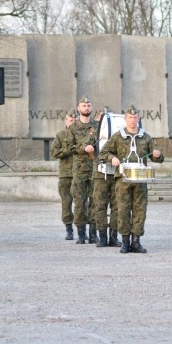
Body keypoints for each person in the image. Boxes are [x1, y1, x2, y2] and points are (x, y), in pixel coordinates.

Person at [100, 105, 163, 253]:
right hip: (123, 179)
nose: (133, 120)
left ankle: (136, 241)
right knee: (123, 210)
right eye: (130, 117)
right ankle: (125, 241)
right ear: (125, 119)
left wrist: (157, 155)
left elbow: (158, 158)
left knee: (140, 210)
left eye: (135, 117)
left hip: (140, 179)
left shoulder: (145, 137)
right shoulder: (117, 136)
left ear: (139, 119)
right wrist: (112, 158)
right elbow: (103, 153)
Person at [68, 96, 99, 244]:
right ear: (78, 108)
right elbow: (69, 147)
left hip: (95, 169)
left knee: (95, 201)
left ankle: (93, 234)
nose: (86, 108)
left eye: (88, 105)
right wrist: (83, 148)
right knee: (80, 202)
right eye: (83, 106)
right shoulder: (73, 128)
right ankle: (81, 234)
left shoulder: (98, 126)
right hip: (79, 170)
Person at [92, 109, 122, 248]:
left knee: (116, 207)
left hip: (116, 174)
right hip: (100, 174)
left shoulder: (119, 134)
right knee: (100, 206)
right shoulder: (94, 132)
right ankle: (102, 236)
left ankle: (113, 236)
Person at [50, 109, 77, 240]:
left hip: (81, 173)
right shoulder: (60, 135)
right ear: (66, 121)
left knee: (83, 203)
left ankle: (84, 229)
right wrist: (68, 150)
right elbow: (54, 152)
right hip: (66, 174)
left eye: (75, 121)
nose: (73, 123)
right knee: (66, 202)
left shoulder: (84, 135)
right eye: (71, 120)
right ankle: (69, 228)